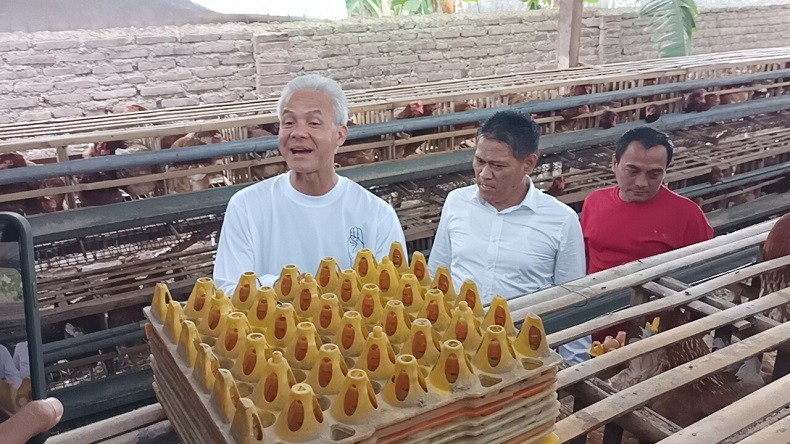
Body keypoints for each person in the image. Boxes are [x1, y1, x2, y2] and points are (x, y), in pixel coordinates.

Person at [213, 74, 406, 294]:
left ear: (340, 135)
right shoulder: (247, 206)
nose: (298, 133)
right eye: (289, 122)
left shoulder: (377, 215)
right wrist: (281, 286)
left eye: (314, 123)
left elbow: (393, 294)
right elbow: (227, 290)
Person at [427, 110, 590, 364]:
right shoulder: (456, 202)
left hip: (522, 355)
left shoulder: (561, 220)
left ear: (529, 163)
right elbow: (437, 275)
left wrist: (575, 366)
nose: (484, 174)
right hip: (457, 347)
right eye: (479, 161)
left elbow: (572, 301)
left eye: (498, 166)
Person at [581, 127, 713, 340]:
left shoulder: (687, 215)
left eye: (654, 174)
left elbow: (704, 275)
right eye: (632, 171)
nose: (641, 183)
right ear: (614, 163)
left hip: (651, 332)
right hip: (591, 323)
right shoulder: (594, 202)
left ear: (665, 171)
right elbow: (584, 259)